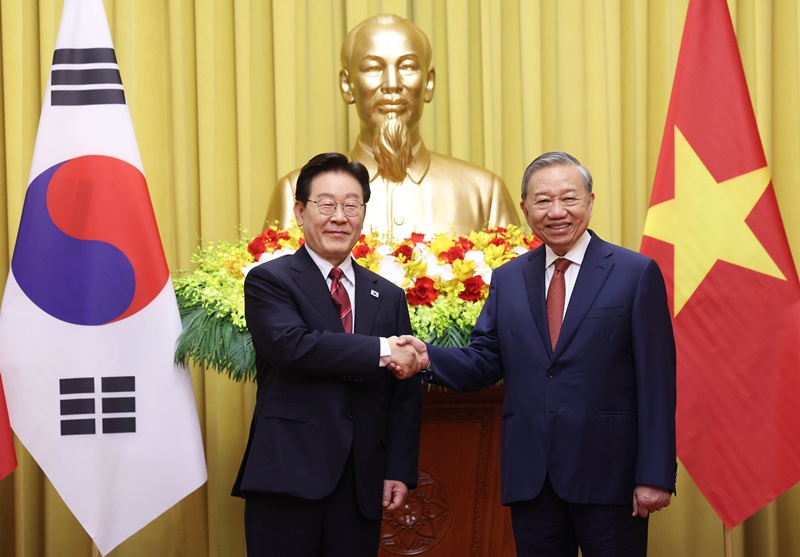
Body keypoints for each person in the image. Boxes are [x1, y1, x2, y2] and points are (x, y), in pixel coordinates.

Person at [392, 151, 676, 557]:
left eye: (569, 198)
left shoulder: (634, 273)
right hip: (533, 478)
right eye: (542, 201)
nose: (556, 212)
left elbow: (657, 383)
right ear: (525, 209)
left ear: (591, 202)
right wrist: (425, 358)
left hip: (610, 475)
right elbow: (485, 360)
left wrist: (655, 475)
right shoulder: (509, 278)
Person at [233, 152, 425, 556]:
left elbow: (403, 393)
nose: (339, 216)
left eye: (351, 205)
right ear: (301, 212)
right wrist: (382, 349)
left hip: (361, 482)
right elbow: (293, 347)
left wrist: (399, 470)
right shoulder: (271, 280)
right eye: (326, 205)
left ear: (362, 214)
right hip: (288, 474)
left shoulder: (387, 295)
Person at [264, 14, 520, 239]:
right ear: (347, 85)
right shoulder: (295, 191)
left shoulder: (484, 194)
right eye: (373, 68)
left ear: (429, 83)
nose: (392, 84)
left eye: (407, 66)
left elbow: (515, 290)